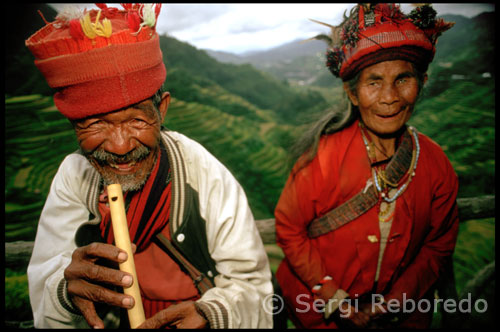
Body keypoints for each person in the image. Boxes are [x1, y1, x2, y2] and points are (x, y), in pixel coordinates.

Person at [25, 4, 272, 329]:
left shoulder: (204, 173)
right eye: (95, 124)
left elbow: (254, 288)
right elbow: (45, 281)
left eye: (136, 120)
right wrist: (65, 290)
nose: (120, 146)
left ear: (162, 110)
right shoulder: (75, 178)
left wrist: (211, 314)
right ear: (74, 127)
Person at [275, 3, 458, 329]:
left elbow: (438, 243)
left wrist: (397, 299)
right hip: (325, 316)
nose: (389, 97)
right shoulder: (321, 159)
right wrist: (334, 295)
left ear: (422, 82)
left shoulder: (436, 165)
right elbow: (290, 230)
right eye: (373, 82)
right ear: (353, 93)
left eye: (403, 79)